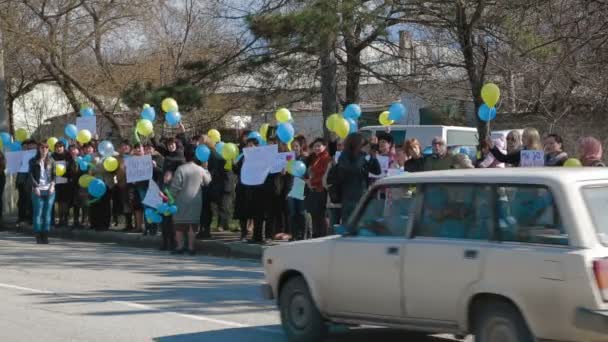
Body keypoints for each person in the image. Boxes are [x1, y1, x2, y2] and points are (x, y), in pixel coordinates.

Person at [170, 144, 211, 255]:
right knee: (192, 225)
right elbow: (207, 181)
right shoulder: (200, 169)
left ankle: (180, 247)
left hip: (181, 200)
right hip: (196, 200)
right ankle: (191, 248)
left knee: (179, 226)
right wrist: (206, 168)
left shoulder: (181, 169)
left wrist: (170, 198)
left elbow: (175, 187)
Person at [334, 133, 381, 223]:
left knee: (362, 223)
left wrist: (373, 156)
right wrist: (363, 155)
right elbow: (354, 168)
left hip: (363, 195)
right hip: (349, 197)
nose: (364, 147)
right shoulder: (344, 156)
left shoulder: (362, 156)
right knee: (350, 223)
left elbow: (377, 171)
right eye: (362, 144)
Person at [233, 137, 266, 243]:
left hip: (255, 189)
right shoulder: (242, 156)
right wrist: (234, 164)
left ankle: (254, 234)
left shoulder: (260, 158)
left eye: (251, 145)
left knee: (254, 212)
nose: (249, 147)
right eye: (248, 145)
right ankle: (243, 233)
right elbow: (237, 171)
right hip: (242, 188)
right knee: (242, 212)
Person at [199, 136, 229, 239]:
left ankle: (207, 230)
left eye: (201, 141)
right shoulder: (201, 153)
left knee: (208, 209)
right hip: (204, 185)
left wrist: (208, 172)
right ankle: (204, 229)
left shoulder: (214, 154)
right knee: (204, 209)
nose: (199, 143)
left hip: (212, 185)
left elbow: (220, 168)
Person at [29, 142, 56, 244]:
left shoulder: (51, 160)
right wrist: (35, 187)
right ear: (39, 149)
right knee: (38, 212)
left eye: (46, 147)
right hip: (38, 190)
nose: (44, 149)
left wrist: (52, 186)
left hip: (49, 190)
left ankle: (45, 235)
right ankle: (38, 235)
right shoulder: (33, 161)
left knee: (47, 213)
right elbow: (30, 175)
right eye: (42, 147)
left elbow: (54, 175)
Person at [305, 138, 332, 238]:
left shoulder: (326, 158)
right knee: (314, 214)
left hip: (321, 190)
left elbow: (323, 175)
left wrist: (311, 182)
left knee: (320, 215)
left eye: (319, 146)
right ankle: (316, 235)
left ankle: (322, 235)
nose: (316, 148)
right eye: (315, 146)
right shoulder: (315, 158)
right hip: (314, 189)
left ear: (324, 147)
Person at [286, 139, 308, 240]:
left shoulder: (304, 158)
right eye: (293, 146)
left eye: (296, 146)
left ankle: (303, 234)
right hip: (291, 187)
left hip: (300, 186)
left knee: (301, 212)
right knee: (292, 213)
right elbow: (287, 175)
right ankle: (294, 235)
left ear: (300, 147)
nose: (295, 148)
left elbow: (306, 174)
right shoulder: (289, 159)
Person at [52, 141, 73, 227]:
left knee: (65, 201)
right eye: (57, 147)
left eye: (60, 147)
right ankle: (60, 219)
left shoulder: (68, 156)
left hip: (66, 182)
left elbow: (72, 169)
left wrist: (65, 174)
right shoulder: (52, 156)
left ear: (64, 147)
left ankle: (66, 219)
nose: (58, 148)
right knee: (59, 201)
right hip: (56, 182)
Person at [16, 139, 36, 227]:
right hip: (21, 179)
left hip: (30, 178)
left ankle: (29, 218)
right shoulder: (19, 154)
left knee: (30, 199)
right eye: (25, 146)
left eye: (30, 145)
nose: (28, 147)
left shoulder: (35, 154)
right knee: (21, 200)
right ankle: (21, 218)